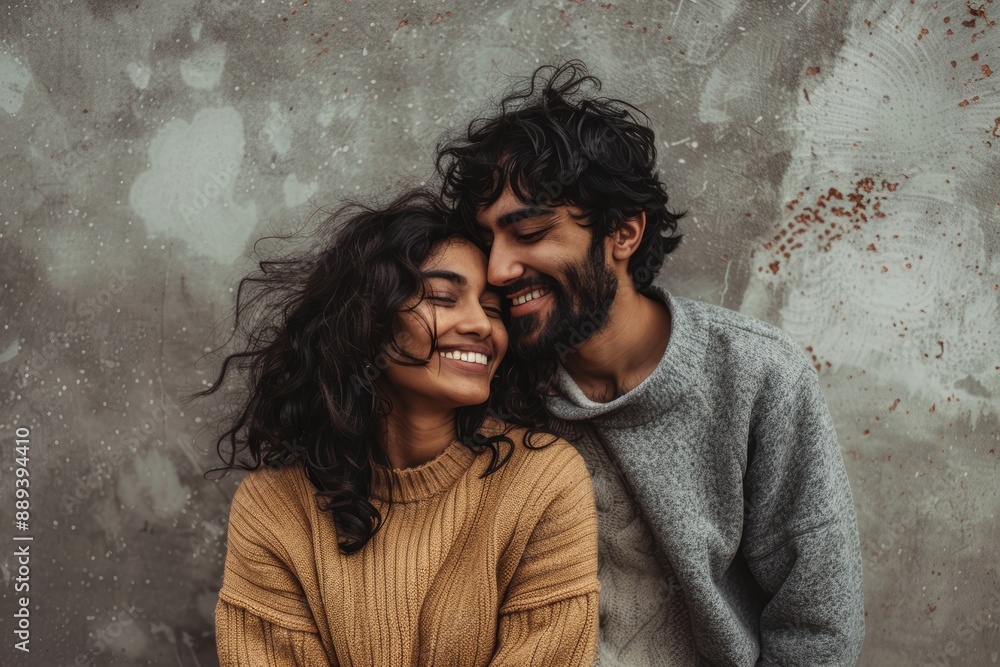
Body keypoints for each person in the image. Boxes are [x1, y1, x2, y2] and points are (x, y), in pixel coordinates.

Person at [436, 61, 866, 666]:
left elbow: (818, 622)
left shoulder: (756, 377)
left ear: (624, 233)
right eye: (488, 244)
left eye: (529, 231)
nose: (501, 269)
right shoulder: (489, 382)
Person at [194, 189, 600, 666]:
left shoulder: (541, 482)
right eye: (443, 297)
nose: (480, 325)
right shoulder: (274, 508)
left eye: (493, 309)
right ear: (367, 325)